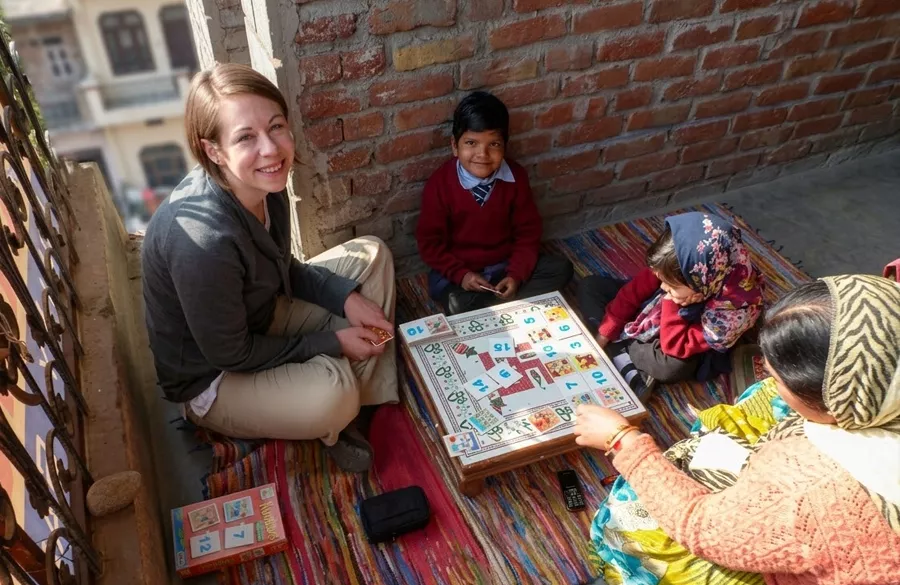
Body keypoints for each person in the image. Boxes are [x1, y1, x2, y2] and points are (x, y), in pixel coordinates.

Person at [141, 64, 397, 473]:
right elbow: (233, 353)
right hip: (216, 377)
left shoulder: (266, 183)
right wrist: (331, 342)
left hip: (261, 313)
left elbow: (283, 268)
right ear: (214, 151)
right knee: (332, 394)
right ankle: (337, 409)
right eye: (245, 137)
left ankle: (353, 404)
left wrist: (345, 297)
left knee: (373, 255)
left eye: (276, 126)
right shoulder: (201, 242)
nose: (271, 149)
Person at [575, 274, 900, 585]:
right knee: (759, 399)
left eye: (778, 377)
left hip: (759, 529)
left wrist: (623, 440)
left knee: (632, 526)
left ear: (835, 399)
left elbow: (701, 526)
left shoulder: (815, 494)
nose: (770, 380)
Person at [415, 91, 573, 315]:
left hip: (504, 265)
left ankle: (496, 303)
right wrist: (462, 275)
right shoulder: (440, 184)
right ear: (454, 146)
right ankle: (505, 305)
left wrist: (515, 275)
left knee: (561, 269)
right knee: (456, 304)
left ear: (505, 146)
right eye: (471, 143)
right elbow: (430, 245)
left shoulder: (516, 177)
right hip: (461, 273)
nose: (482, 154)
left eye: (494, 144)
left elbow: (528, 234)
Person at [577, 212, 763, 398]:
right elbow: (633, 292)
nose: (663, 286)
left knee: (673, 367)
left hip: (678, 337)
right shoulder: (681, 263)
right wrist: (606, 333)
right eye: (661, 279)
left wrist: (671, 302)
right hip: (652, 308)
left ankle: (623, 346)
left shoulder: (732, 313)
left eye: (671, 285)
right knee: (591, 287)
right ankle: (622, 352)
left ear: (701, 283)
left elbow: (675, 347)